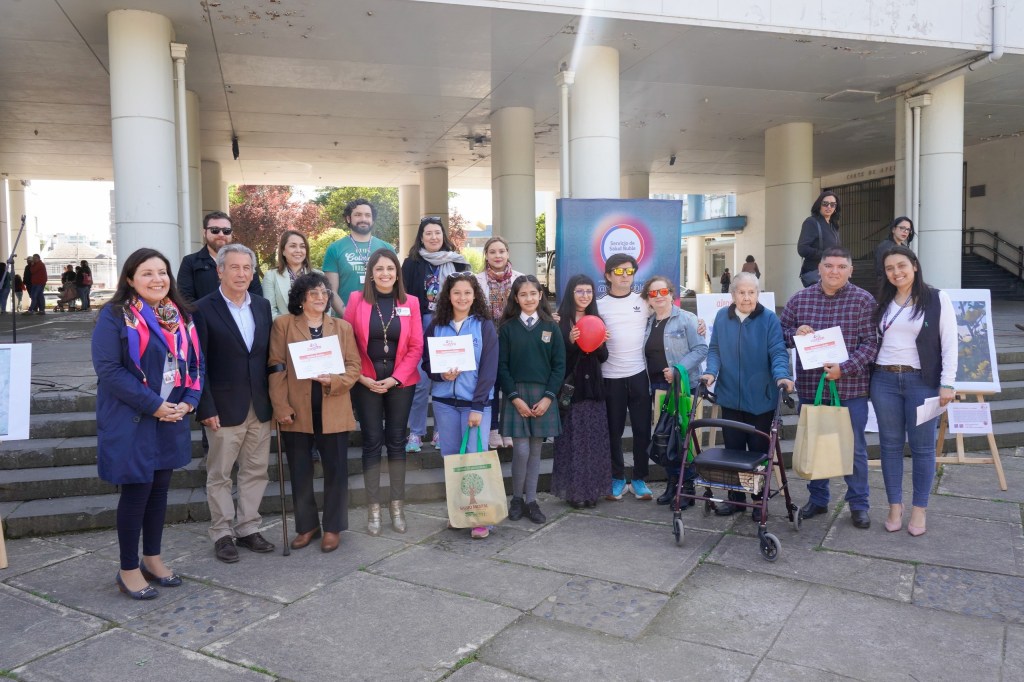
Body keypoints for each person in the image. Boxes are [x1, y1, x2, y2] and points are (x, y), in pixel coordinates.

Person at [91, 248, 203, 599]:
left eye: (162, 272)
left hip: (171, 418)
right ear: (130, 279)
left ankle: (152, 559)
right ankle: (127, 568)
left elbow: (196, 364)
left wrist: (189, 401)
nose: (157, 279)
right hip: (134, 418)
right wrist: (155, 405)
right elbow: (109, 370)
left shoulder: (179, 315)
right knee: (136, 493)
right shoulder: (114, 316)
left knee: (159, 493)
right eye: (147, 273)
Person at [780, 246, 878, 529]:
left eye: (840, 267)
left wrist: (843, 368)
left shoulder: (864, 301)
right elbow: (782, 334)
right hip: (813, 388)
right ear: (819, 268)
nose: (834, 271)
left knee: (855, 448)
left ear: (850, 270)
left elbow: (871, 344)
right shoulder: (800, 299)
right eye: (829, 266)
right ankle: (818, 500)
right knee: (816, 444)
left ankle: (859, 504)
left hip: (851, 389)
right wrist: (795, 334)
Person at [194, 243, 276, 562]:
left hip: (259, 404)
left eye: (247, 268)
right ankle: (223, 533)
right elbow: (197, 364)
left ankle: (248, 527)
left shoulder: (262, 305)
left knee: (256, 471)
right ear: (220, 271)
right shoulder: (202, 308)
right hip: (222, 407)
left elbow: (266, 356)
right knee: (220, 474)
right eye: (234, 267)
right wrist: (205, 406)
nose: (241, 274)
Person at [268, 273, 361, 552]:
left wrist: (334, 381)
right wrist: (280, 406)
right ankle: (307, 525)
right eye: (313, 293)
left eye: (324, 293)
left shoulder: (342, 327)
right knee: (300, 471)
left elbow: (354, 367)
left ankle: (333, 527)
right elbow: (276, 367)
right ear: (300, 298)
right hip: (297, 410)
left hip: (333, 408)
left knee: (336, 470)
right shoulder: (283, 325)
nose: (320, 298)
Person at [871, 246, 956, 537]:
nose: (896, 272)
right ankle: (895, 505)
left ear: (915, 266)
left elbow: (949, 343)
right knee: (890, 446)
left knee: (922, 448)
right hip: (883, 380)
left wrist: (948, 382)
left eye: (901, 265)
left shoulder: (935, 298)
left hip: (922, 381)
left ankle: (919, 509)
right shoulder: (882, 300)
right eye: (890, 268)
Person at [701, 272, 793, 518]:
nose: (746, 297)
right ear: (732, 295)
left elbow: (778, 352)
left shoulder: (769, 319)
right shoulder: (722, 317)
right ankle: (737, 499)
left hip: (761, 398)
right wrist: (710, 372)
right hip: (730, 396)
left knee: (757, 451)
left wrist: (783, 376)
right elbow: (715, 350)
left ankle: (757, 499)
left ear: (757, 294)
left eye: (751, 292)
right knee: (733, 450)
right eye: (741, 292)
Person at [345, 248, 423, 536]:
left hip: (400, 383)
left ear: (397, 273)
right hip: (365, 382)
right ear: (371, 274)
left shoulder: (410, 302)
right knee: (371, 443)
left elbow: (416, 347)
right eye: (379, 269)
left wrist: (395, 379)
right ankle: (373, 508)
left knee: (397, 443)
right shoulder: (356, 300)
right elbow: (348, 340)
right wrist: (362, 378)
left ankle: (397, 506)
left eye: (390, 269)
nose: (385, 274)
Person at [422, 272, 498, 538]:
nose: (462, 298)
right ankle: (459, 513)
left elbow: (489, 369)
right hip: (444, 403)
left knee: (475, 459)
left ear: (474, 295)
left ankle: (481, 518)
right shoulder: (436, 325)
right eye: (456, 293)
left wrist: (478, 406)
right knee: (452, 461)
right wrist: (440, 375)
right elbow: (427, 364)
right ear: (448, 296)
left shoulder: (484, 325)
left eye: (467, 293)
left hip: (474, 404)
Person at [498, 275, 565, 524]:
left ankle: (531, 500)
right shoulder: (507, 328)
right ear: (516, 298)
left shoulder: (551, 327)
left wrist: (549, 398)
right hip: (517, 396)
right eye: (523, 294)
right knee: (522, 450)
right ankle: (516, 498)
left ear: (540, 296)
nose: (529, 298)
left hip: (543, 396)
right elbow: (502, 367)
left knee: (536, 450)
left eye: (533, 294)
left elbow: (559, 366)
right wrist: (514, 398)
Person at [401, 216, 470, 452]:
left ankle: (442, 431)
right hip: (419, 327)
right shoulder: (411, 263)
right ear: (421, 237)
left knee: (446, 380)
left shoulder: (458, 263)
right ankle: (416, 433)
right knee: (421, 382)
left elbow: (467, 296)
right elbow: (405, 298)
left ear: (444, 236)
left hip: (450, 328)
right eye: (428, 233)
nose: (433, 237)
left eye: (437, 233)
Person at [641, 275, 708, 507]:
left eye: (663, 292)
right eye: (653, 293)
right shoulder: (649, 322)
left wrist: (678, 370)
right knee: (665, 438)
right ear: (648, 299)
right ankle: (672, 485)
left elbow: (701, 349)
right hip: (658, 388)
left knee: (682, 438)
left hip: (682, 387)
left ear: (671, 293)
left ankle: (687, 488)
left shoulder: (687, 319)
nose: (658, 297)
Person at [596, 253, 654, 501]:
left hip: (639, 375)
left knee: (642, 430)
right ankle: (617, 478)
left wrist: (699, 323)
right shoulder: (598, 305)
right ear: (608, 275)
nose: (624, 276)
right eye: (618, 272)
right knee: (613, 431)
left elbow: (671, 317)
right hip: (610, 377)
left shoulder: (644, 302)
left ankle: (639, 478)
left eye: (629, 271)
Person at [552, 275, 610, 509]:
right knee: (572, 442)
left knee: (593, 441)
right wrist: (570, 341)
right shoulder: (560, 320)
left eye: (588, 291)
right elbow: (558, 359)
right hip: (570, 390)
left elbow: (603, 358)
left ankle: (592, 491)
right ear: (570, 293)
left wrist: (600, 342)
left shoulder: (597, 318)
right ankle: (575, 492)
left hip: (593, 389)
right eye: (579, 291)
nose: (585, 296)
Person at [475, 236, 525, 449]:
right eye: (493, 252)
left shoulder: (521, 279)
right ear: (486, 255)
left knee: (512, 385)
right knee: (492, 385)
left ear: (508, 254)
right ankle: (494, 429)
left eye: (501, 251)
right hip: (488, 341)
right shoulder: (476, 281)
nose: (498, 256)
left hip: (514, 340)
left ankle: (509, 429)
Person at [323, 198, 395, 317]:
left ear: (372, 220)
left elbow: (396, 286)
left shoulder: (387, 248)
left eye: (367, 215)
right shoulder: (335, 249)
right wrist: (349, 319)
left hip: (382, 318)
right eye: (358, 215)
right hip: (346, 321)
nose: (363, 219)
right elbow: (332, 291)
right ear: (348, 218)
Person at [178, 211, 261, 303]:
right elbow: (185, 299)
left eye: (226, 231)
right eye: (215, 230)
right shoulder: (190, 262)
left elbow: (256, 297)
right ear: (204, 232)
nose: (221, 234)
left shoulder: (247, 261)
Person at [262, 230, 319, 319]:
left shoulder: (319, 275)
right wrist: (291, 327)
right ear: (283, 251)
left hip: (316, 329)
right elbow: (270, 311)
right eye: (293, 246)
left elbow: (326, 309)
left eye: (302, 246)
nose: (298, 250)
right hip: (286, 330)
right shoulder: (271, 276)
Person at [797, 191, 842, 287]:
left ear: (835, 208)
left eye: (833, 204)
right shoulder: (811, 222)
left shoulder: (833, 226)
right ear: (819, 205)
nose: (829, 207)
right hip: (816, 272)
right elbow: (802, 249)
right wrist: (826, 255)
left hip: (831, 273)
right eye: (825, 204)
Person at [874, 216, 915, 282]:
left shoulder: (904, 248)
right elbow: (881, 272)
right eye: (902, 228)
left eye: (908, 229)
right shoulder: (885, 247)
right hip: (890, 286)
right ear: (893, 229)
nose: (905, 231)